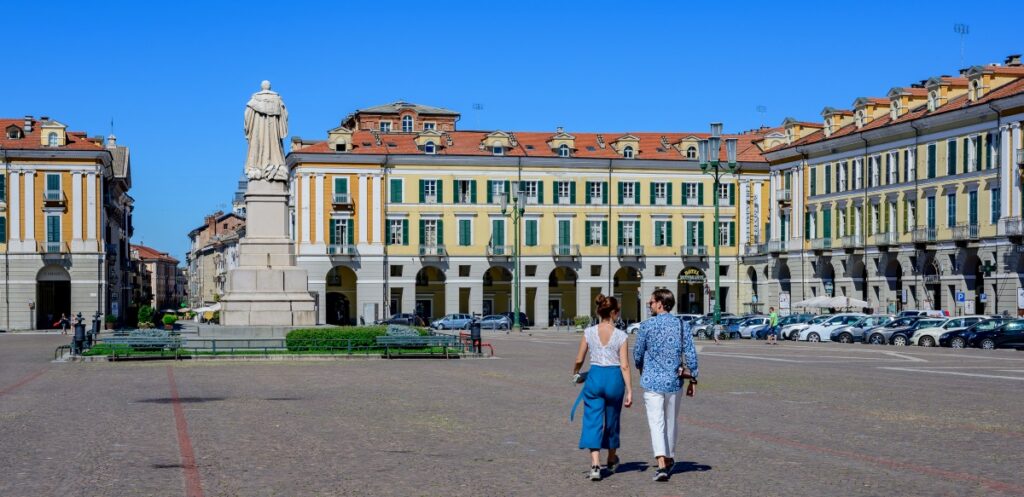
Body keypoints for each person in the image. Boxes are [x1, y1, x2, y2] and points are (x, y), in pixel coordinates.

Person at [634, 289, 699, 482]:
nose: (649, 304)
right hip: (674, 381)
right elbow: (690, 353)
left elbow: (638, 354)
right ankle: (669, 457)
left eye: (652, 302)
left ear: (661, 303)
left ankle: (661, 462)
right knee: (671, 420)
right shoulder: (681, 325)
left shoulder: (646, 326)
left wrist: (642, 368)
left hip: (652, 381)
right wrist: (693, 378)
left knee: (656, 422)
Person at [571, 295, 633, 481]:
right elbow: (625, 365)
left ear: (599, 311)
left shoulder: (589, 332)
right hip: (614, 378)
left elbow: (579, 359)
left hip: (596, 377)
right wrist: (630, 390)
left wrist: (575, 372)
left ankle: (595, 465)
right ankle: (612, 458)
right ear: (615, 313)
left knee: (592, 420)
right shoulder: (621, 335)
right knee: (612, 420)